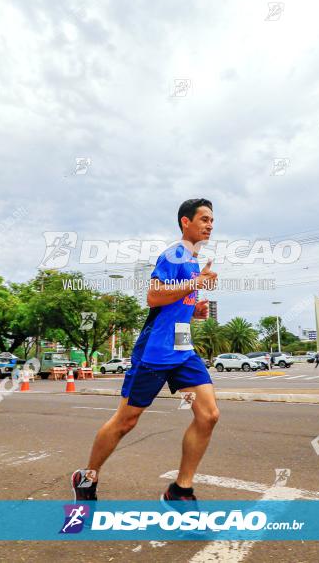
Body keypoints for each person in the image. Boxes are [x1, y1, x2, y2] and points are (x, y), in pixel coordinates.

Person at [71, 198, 219, 507]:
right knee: (126, 421)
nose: (209, 224)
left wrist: (195, 311)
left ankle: (180, 490)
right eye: (203, 219)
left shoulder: (191, 261)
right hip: (155, 351)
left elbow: (173, 304)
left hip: (182, 347)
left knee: (208, 415)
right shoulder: (174, 254)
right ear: (185, 222)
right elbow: (153, 296)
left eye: (211, 220)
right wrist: (196, 283)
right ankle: (87, 477)